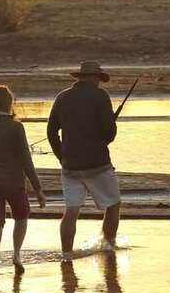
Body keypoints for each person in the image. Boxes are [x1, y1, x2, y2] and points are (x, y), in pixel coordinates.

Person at [46, 61, 121, 255]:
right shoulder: (100, 96)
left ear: (80, 77)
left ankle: (66, 255)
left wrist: (62, 157)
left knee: (71, 211)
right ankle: (108, 245)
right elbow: (109, 133)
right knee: (113, 205)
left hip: (70, 166)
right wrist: (101, 139)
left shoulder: (62, 97)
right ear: (96, 77)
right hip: (98, 164)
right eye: (98, 79)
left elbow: (51, 131)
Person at [0, 84, 46, 280]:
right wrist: (38, 188)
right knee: (22, 216)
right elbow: (26, 159)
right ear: (10, 104)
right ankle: (16, 254)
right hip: (14, 182)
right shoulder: (16, 127)